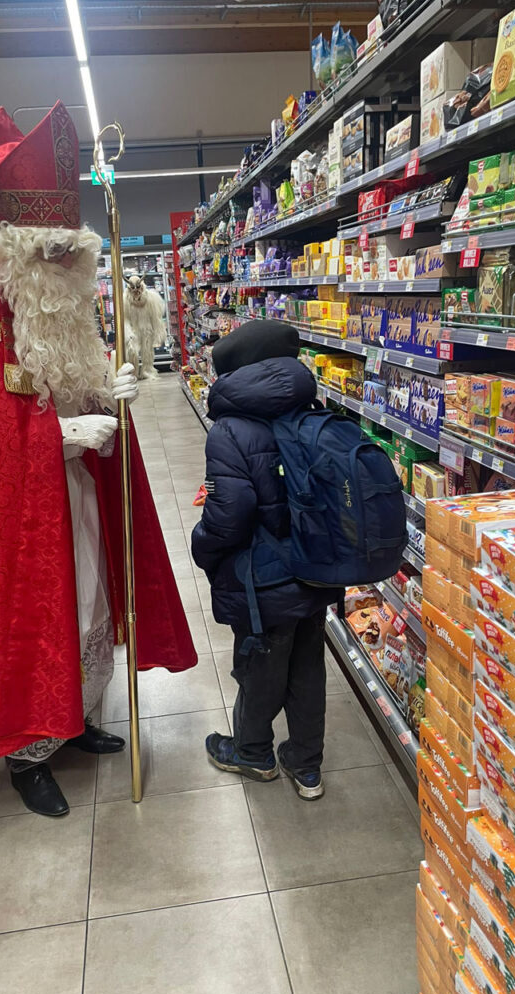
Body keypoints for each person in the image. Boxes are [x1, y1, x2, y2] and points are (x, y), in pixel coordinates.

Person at [0, 101, 197, 816]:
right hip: (16, 525)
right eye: (52, 253)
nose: (66, 266)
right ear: (13, 245)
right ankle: (27, 753)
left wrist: (110, 391)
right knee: (36, 615)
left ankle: (72, 721)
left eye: (73, 254)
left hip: (73, 497)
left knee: (88, 608)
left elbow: (71, 379)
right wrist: (59, 439)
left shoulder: (61, 307)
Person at [191, 320, 332, 800]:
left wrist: (202, 544)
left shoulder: (230, 429)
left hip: (262, 580)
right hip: (316, 568)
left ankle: (253, 752)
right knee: (308, 667)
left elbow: (230, 516)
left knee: (259, 667)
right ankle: (306, 765)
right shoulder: (312, 409)